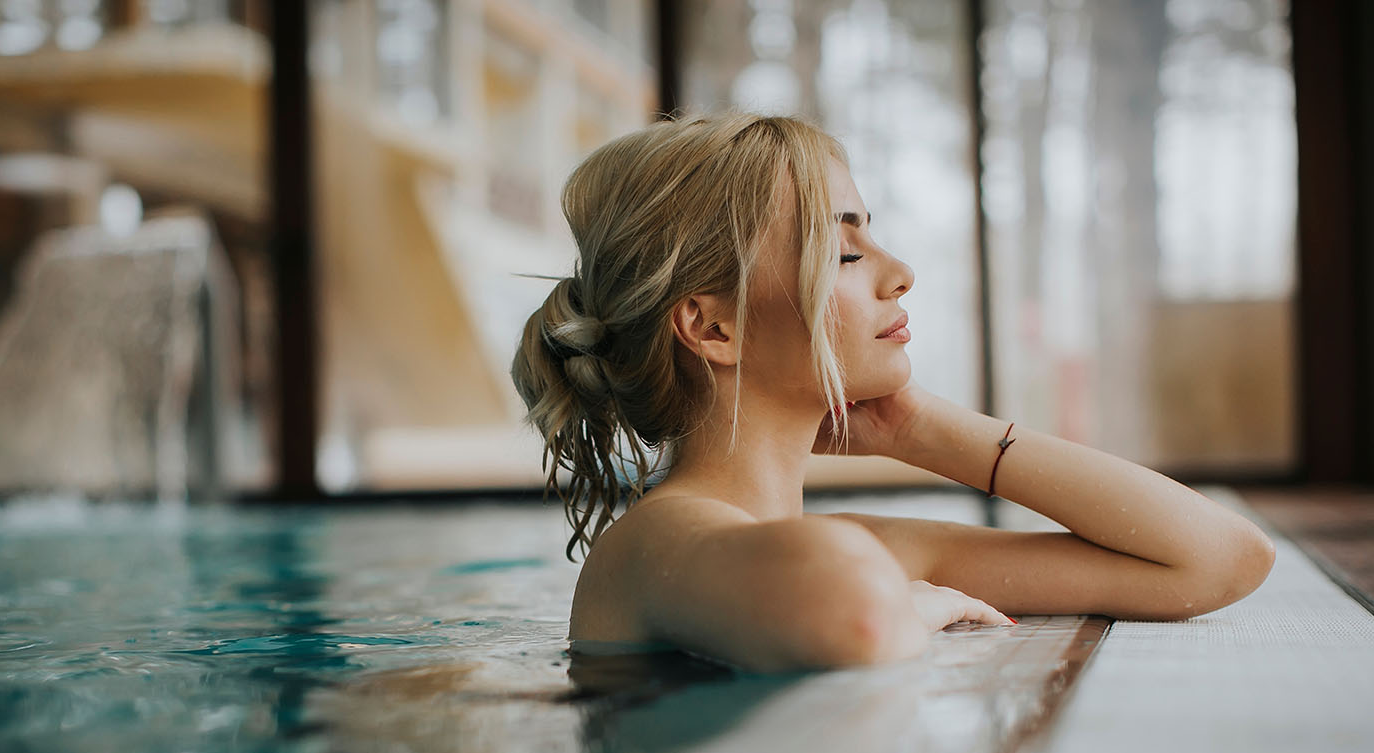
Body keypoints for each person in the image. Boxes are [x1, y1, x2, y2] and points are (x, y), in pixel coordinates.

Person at [511, 112, 1274, 673]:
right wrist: (920, 602)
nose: (899, 269)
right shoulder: (654, 543)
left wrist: (923, 430)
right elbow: (860, 618)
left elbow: (1218, 561)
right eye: (844, 251)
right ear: (713, 330)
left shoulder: (853, 550)